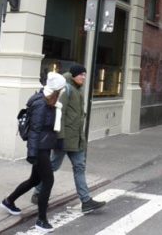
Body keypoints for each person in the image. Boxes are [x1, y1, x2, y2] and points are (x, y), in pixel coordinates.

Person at [32, 64, 105, 214]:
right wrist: (59, 138)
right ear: (73, 75)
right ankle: (37, 192)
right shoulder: (66, 88)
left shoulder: (77, 89)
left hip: (76, 138)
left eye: (85, 75)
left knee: (79, 167)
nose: (83, 77)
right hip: (64, 138)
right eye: (81, 75)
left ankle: (86, 201)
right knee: (52, 166)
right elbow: (60, 113)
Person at [0, 72, 66, 233]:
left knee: (34, 180)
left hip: (44, 146)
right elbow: (35, 131)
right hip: (40, 149)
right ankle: (41, 220)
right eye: (62, 88)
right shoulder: (42, 104)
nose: (64, 90)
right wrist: (32, 154)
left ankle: (9, 201)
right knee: (48, 181)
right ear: (56, 89)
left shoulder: (51, 102)